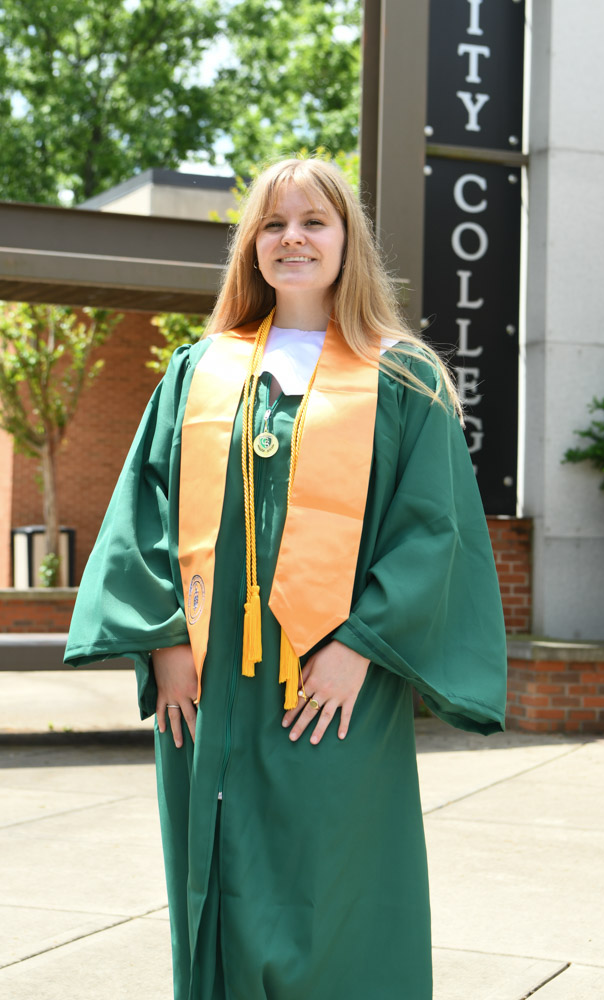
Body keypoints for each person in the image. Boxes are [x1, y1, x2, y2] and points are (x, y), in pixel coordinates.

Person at [65, 156, 507, 1000]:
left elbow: (435, 532)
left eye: (313, 222)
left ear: (348, 241)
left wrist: (362, 647)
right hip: (207, 682)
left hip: (333, 683)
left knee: (328, 887)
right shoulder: (199, 371)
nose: (292, 239)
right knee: (217, 877)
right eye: (272, 224)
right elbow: (143, 510)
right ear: (251, 246)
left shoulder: (401, 377)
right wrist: (162, 642)